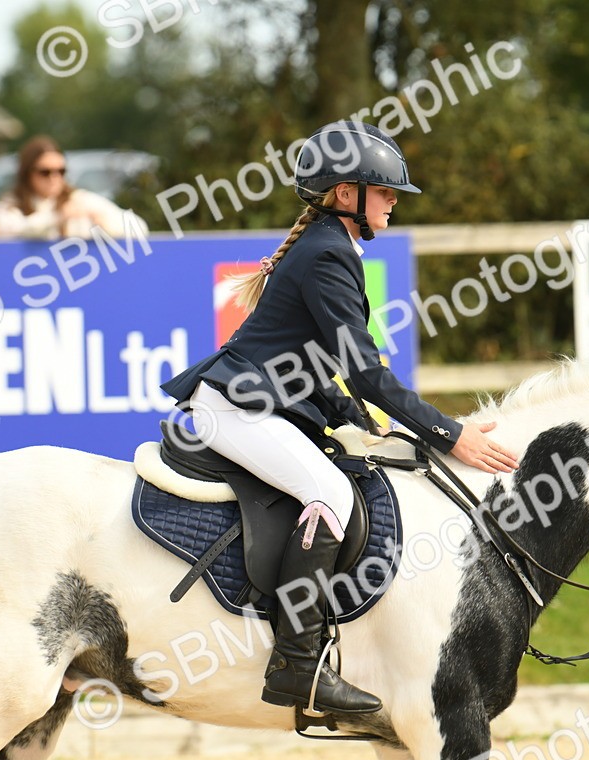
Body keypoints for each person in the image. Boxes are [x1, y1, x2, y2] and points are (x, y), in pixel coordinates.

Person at [161, 121, 519, 715]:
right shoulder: (327, 252)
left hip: (257, 400)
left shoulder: (329, 246)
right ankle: (297, 667)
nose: (395, 201)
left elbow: (312, 363)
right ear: (346, 193)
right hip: (237, 409)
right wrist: (449, 433)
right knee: (331, 494)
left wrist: (363, 421)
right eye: (385, 191)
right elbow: (367, 372)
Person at [0, 135, 148, 240]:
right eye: (45, 172)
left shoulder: (78, 200)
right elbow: (12, 229)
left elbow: (139, 227)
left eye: (61, 171)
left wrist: (104, 222)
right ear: (27, 173)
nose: (54, 178)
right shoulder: (10, 205)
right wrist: (58, 218)